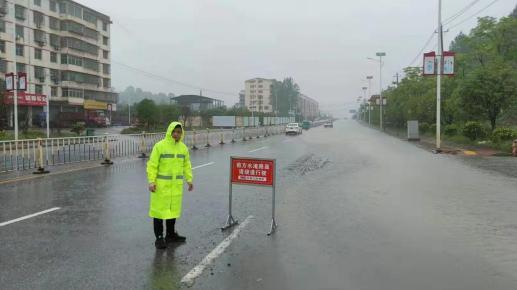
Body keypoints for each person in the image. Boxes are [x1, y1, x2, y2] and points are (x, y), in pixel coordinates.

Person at [147, 121, 194, 249]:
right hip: (161, 187)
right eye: (174, 131)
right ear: (169, 131)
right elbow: (152, 165)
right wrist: (151, 181)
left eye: (179, 132)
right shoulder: (159, 146)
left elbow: (186, 165)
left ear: (181, 134)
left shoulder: (183, 148)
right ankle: (159, 238)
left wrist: (189, 180)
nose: (176, 134)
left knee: (172, 212)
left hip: (175, 187)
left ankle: (171, 234)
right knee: (159, 213)